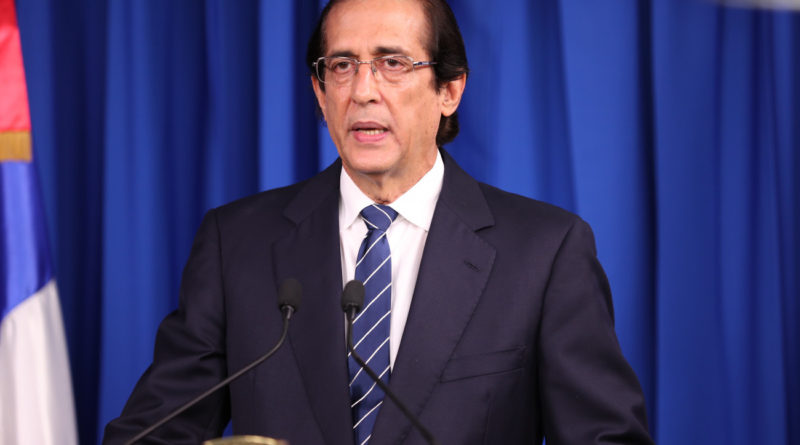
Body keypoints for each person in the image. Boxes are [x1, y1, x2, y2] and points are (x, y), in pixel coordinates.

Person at [104, 0, 654, 444]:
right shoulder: (238, 244)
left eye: (393, 63)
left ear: (449, 90)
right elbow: (151, 435)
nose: (363, 91)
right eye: (342, 65)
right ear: (320, 93)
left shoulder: (544, 252)